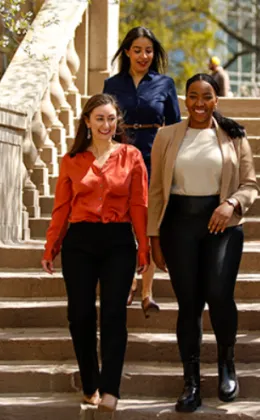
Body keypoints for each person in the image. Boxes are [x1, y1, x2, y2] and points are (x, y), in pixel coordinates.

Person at [148, 73, 260, 412]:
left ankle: (227, 363)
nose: (199, 103)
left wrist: (232, 204)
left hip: (221, 225)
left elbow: (251, 184)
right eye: (193, 96)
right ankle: (191, 381)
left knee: (219, 294)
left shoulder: (234, 136)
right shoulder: (166, 136)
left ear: (216, 99)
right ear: (185, 99)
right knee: (189, 303)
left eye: (206, 96)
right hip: (178, 225)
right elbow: (155, 192)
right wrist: (154, 238)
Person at [41, 94, 149, 412]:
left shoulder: (131, 156)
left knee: (114, 314)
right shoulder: (72, 160)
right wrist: (51, 245)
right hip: (80, 242)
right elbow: (61, 208)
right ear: (87, 121)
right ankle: (90, 383)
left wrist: (143, 247)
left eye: (111, 118)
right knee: (81, 314)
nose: (106, 124)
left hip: (118, 241)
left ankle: (111, 387)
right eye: (99, 118)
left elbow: (139, 206)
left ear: (118, 122)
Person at [103, 26, 180, 317]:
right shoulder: (112, 84)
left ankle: (147, 292)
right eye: (137, 50)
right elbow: (104, 123)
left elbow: (175, 128)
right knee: (123, 223)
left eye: (148, 50)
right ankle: (127, 284)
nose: (143, 56)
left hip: (154, 158)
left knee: (148, 226)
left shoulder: (165, 84)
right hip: (119, 158)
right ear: (127, 52)